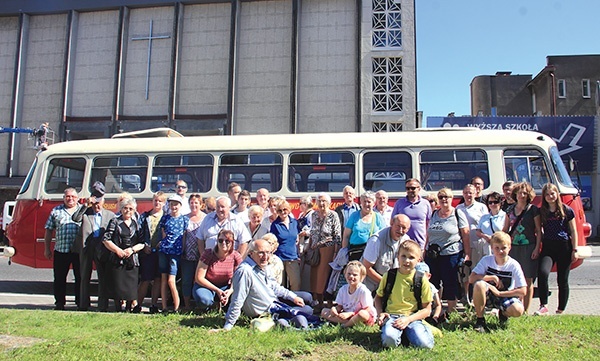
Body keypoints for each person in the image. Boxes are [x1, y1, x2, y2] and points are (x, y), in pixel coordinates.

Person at [220, 238, 309, 331]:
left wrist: (293, 297)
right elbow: (238, 299)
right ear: (251, 253)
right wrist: (228, 325)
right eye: (261, 253)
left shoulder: (263, 265)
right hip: (265, 311)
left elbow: (274, 287)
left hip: (274, 301)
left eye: (268, 252)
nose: (265, 256)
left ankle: (288, 321)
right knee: (306, 311)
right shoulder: (245, 271)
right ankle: (284, 323)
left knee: (307, 298)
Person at [374, 240, 434, 349]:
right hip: (392, 317)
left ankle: (419, 330)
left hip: (412, 317)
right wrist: (380, 314)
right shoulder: (389, 276)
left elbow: (427, 310)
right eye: (403, 256)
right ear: (398, 257)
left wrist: (408, 320)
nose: (406, 261)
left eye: (411, 258)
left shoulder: (421, 279)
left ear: (418, 260)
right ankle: (398, 333)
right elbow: (378, 298)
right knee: (389, 342)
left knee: (425, 345)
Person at [535, 183, 578, 315]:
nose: (550, 196)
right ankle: (543, 305)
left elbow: (573, 230)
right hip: (548, 246)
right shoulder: (542, 211)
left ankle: (561, 309)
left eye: (552, 193)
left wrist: (574, 249)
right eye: (547, 194)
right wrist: (537, 247)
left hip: (564, 246)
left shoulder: (567, 210)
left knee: (562, 279)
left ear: (557, 194)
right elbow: (539, 230)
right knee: (542, 273)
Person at [469, 231, 526, 333]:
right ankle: (480, 320)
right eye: (497, 248)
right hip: (488, 295)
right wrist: (491, 278)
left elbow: (522, 291)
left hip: (506, 295)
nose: (500, 251)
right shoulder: (486, 260)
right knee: (479, 284)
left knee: (518, 310)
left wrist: (500, 293)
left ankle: (503, 313)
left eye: (503, 248)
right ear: (491, 248)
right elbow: (471, 278)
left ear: (509, 247)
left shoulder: (514, 265)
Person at [71, 181, 116, 311]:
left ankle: (102, 305)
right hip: (87, 247)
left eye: (99, 203)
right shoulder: (85, 213)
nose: (97, 206)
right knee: (84, 276)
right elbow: (75, 218)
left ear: (103, 202)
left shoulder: (110, 215)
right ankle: (83, 304)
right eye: (95, 203)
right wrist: (85, 205)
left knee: (102, 277)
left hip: (102, 247)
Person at [425, 187, 469, 313]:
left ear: (451, 199)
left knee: (450, 282)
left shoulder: (457, 213)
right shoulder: (434, 214)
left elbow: (465, 234)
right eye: (441, 197)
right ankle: (436, 309)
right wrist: (424, 249)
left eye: (447, 197)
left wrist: (467, 254)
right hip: (433, 254)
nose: (444, 199)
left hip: (451, 254)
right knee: (433, 282)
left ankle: (450, 311)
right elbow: (428, 234)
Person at [503, 181, 541, 313]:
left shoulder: (533, 210)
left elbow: (538, 230)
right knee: (514, 278)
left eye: (525, 193)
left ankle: (526, 310)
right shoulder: (509, 210)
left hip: (528, 247)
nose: (522, 195)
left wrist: (537, 248)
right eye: (519, 193)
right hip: (513, 248)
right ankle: (515, 307)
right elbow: (505, 230)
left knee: (528, 279)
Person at [102, 197, 144, 312]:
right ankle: (118, 308)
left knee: (131, 287)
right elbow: (106, 239)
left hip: (132, 259)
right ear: (121, 209)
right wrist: (118, 250)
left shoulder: (137, 224)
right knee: (118, 286)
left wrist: (132, 250)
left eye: (131, 209)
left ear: (134, 210)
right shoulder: (115, 221)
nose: (128, 211)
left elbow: (142, 242)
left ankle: (130, 308)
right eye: (125, 208)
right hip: (117, 259)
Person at [44, 187, 82, 310]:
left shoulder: (83, 210)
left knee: (80, 277)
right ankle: (59, 303)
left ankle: (80, 302)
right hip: (61, 250)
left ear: (78, 198)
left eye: (73, 197)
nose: (70, 199)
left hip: (79, 251)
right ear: (64, 198)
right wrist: (47, 249)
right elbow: (49, 230)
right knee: (59, 278)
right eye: (68, 196)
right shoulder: (56, 211)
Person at [193, 229, 242, 310]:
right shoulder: (208, 254)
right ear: (217, 241)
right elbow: (199, 278)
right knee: (204, 300)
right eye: (220, 240)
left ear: (232, 242)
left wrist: (230, 290)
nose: (223, 243)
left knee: (238, 296)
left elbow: (238, 278)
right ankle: (210, 306)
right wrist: (217, 290)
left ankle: (223, 305)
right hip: (206, 286)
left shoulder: (236, 256)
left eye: (227, 241)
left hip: (226, 286)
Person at [309, 192, 342, 309]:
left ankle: (325, 302)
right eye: (319, 201)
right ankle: (316, 302)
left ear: (329, 203)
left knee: (324, 276)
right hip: (315, 250)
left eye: (324, 201)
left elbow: (337, 235)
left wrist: (335, 252)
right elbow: (312, 232)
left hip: (328, 249)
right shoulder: (314, 215)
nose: (321, 203)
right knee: (315, 276)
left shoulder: (333, 215)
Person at [362, 214, 411, 292]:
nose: (400, 230)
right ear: (391, 223)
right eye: (398, 226)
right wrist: (386, 283)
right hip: (373, 287)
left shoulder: (406, 240)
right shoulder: (376, 240)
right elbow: (366, 267)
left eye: (404, 228)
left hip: (394, 286)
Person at [135, 191, 166, 314]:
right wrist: (143, 246)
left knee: (158, 279)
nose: (157, 203)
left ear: (164, 203)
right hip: (148, 251)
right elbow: (140, 233)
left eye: (160, 201)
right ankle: (138, 304)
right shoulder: (145, 216)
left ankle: (153, 304)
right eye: (155, 200)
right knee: (145, 279)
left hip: (161, 252)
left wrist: (163, 243)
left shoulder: (166, 217)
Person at [456, 184, 488, 301]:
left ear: (475, 193)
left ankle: (478, 296)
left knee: (477, 270)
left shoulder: (482, 207)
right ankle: (466, 296)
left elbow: (485, 224)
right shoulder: (458, 208)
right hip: (464, 243)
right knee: (465, 272)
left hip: (478, 243)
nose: (468, 195)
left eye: (471, 193)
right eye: (466, 193)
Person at [320, 260, 376, 328]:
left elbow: (368, 309)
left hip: (360, 316)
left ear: (361, 277)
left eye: (355, 275)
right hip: (347, 315)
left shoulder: (363, 290)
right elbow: (339, 307)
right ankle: (351, 323)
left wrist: (351, 314)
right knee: (324, 311)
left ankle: (345, 325)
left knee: (363, 314)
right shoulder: (343, 289)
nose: (351, 276)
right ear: (345, 274)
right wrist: (334, 309)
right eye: (349, 274)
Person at [159, 194, 190, 312]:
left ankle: (176, 307)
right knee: (163, 278)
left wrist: (182, 250)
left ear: (180, 206)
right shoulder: (165, 218)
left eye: (176, 204)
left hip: (175, 253)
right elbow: (163, 234)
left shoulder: (184, 220)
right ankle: (164, 306)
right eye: (171, 204)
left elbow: (184, 237)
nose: (173, 207)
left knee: (171, 280)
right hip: (164, 251)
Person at [342, 191, 386, 261]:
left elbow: (384, 236)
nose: (366, 204)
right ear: (361, 203)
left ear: (373, 203)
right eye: (364, 201)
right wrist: (344, 252)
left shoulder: (378, 217)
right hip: (355, 252)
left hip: (373, 253)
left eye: (369, 202)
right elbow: (346, 236)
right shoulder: (354, 216)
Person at [180, 194, 206, 310]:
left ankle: (199, 304)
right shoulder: (184, 218)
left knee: (200, 279)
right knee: (186, 280)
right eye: (192, 202)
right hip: (187, 255)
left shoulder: (206, 218)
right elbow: (182, 236)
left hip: (202, 255)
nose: (194, 205)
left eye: (196, 203)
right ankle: (187, 305)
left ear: (201, 204)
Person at [391, 178, 432, 249]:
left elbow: (429, 223)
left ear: (419, 189)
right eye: (407, 188)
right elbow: (392, 222)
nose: (410, 190)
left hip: (420, 244)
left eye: (413, 188)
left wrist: (427, 243)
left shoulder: (425, 203)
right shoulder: (399, 203)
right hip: (402, 244)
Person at [270, 200, 301, 291]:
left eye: (285, 209)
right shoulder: (275, 225)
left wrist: (299, 254)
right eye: (279, 210)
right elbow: (272, 241)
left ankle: (295, 303)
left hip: (292, 258)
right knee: (280, 285)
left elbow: (297, 239)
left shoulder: (294, 222)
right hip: (279, 259)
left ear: (288, 210)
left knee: (296, 283)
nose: (283, 212)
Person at [475, 192, 506, 261]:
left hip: (500, 248)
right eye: (490, 202)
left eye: (495, 202)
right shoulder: (484, 217)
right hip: (487, 248)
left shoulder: (505, 216)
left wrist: (494, 239)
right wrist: (485, 236)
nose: (492, 204)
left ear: (500, 203)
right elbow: (477, 231)